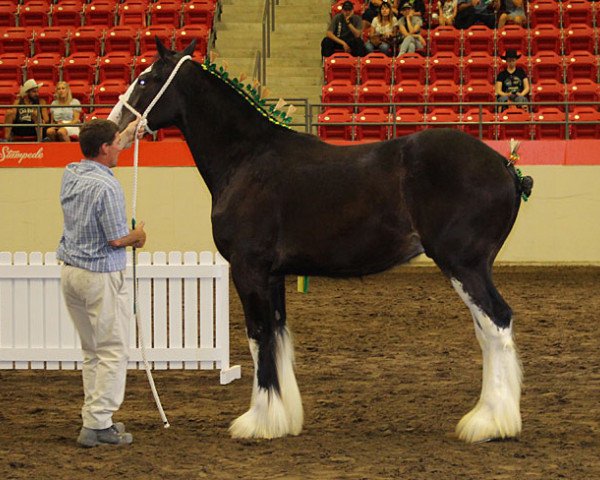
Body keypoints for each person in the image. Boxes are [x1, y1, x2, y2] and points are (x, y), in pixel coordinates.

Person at [57, 118, 146, 448]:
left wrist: (129, 131)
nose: (120, 147)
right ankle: (98, 424)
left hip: (71, 273)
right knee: (111, 351)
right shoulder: (108, 187)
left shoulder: (71, 172)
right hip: (100, 275)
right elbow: (115, 239)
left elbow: (103, 140)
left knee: (92, 351)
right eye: (116, 143)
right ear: (105, 148)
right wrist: (137, 237)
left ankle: (95, 417)